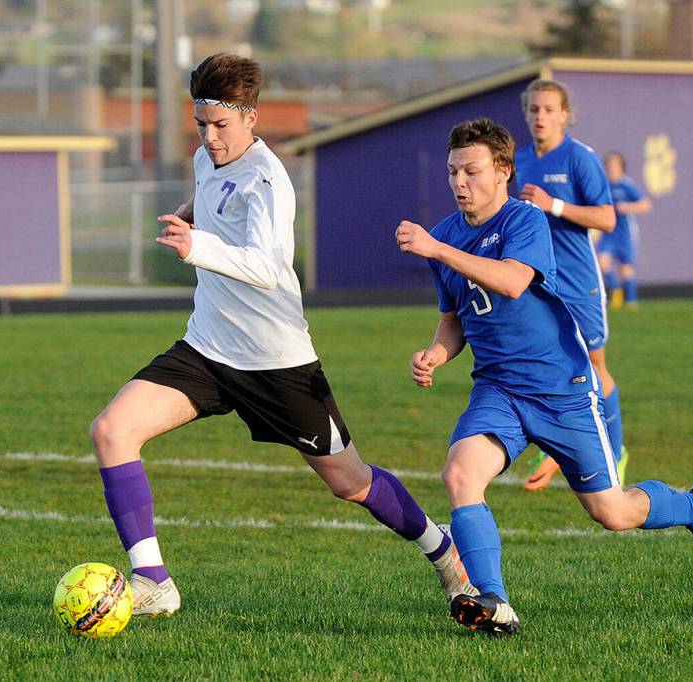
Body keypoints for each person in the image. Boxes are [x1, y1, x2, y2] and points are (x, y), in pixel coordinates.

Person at [90, 53, 472, 618]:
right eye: (201, 123)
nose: (209, 137)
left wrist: (198, 247)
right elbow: (211, 194)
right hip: (208, 349)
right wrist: (191, 214)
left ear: (251, 118)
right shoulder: (205, 159)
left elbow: (268, 266)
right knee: (111, 430)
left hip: (276, 363)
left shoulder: (269, 183)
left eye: (220, 126)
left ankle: (442, 552)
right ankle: (154, 582)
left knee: (350, 482)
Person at [394, 117, 693, 636]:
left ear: (503, 170)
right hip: (499, 389)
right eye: (452, 172)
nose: (460, 182)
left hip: (562, 390)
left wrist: (437, 250)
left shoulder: (524, 221)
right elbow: (454, 318)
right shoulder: (446, 236)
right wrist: (436, 353)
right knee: (460, 474)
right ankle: (494, 602)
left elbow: (510, 281)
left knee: (613, 512)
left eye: (472, 171)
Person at [514, 79, 627, 491]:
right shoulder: (520, 160)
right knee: (546, 363)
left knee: (595, 367)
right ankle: (554, 449)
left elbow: (607, 219)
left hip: (578, 282)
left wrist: (554, 204)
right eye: (533, 110)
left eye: (548, 109)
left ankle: (615, 453)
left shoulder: (580, 158)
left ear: (564, 114)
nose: (540, 116)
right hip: (538, 282)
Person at [598, 151, 652, 310]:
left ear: (621, 166)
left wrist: (627, 207)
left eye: (614, 164)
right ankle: (615, 289)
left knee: (626, 269)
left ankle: (631, 302)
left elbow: (645, 205)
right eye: (609, 164)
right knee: (603, 263)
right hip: (608, 232)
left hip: (625, 233)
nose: (611, 168)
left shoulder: (627, 185)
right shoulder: (604, 185)